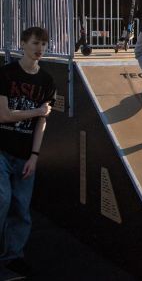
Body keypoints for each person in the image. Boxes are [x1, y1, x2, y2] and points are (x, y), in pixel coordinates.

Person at [0, 27, 54, 277]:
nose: (39, 49)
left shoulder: (47, 81)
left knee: (21, 207)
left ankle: (13, 256)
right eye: (35, 43)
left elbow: (42, 123)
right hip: (1, 150)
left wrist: (35, 155)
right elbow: (4, 115)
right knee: (2, 200)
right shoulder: (6, 74)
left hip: (25, 155)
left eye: (43, 44)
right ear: (22, 44)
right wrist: (36, 112)